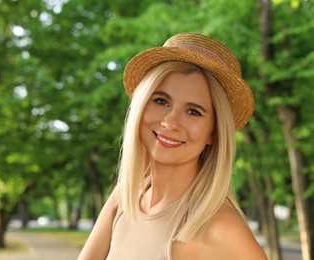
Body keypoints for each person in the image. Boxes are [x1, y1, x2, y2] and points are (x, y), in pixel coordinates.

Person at [78, 32, 267, 260]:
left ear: (214, 133)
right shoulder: (123, 198)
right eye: (161, 101)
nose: (170, 122)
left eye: (193, 111)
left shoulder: (222, 229)